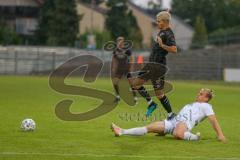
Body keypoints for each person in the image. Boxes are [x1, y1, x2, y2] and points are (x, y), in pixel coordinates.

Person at [111, 88, 226, 142]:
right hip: (173, 121)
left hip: (184, 123)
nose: (198, 94)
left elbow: (213, 120)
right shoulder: (194, 103)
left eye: (201, 94)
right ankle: (121, 131)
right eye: (199, 93)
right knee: (149, 128)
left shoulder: (207, 106)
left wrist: (220, 135)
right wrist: (165, 130)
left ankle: (195, 137)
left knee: (178, 133)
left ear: (206, 98)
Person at [128, 11, 177, 118]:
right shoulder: (162, 31)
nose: (157, 23)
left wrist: (162, 45)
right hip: (151, 65)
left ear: (165, 22)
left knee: (159, 94)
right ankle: (151, 103)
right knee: (135, 85)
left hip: (159, 67)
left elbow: (174, 49)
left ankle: (171, 114)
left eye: (159, 21)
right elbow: (166, 16)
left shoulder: (169, 34)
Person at [111, 36, 137, 103]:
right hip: (119, 69)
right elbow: (114, 60)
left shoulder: (127, 49)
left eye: (121, 41)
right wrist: (114, 68)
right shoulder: (115, 50)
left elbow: (132, 58)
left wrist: (131, 67)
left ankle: (135, 97)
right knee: (115, 82)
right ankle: (118, 97)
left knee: (131, 83)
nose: (119, 42)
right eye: (118, 41)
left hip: (126, 68)